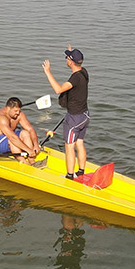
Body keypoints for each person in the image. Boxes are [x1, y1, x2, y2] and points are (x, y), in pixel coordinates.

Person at [42, 45, 89, 180]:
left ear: (71, 62)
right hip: (85, 115)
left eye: (67, 58)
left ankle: (69, 176)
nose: (66, 60)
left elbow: (58, 89)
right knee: (79, 143)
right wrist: (71, 51)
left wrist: (48, 72)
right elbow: (75, 61)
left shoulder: (75, 78)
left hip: (74, 118)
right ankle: (81, 171)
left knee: (69, 147)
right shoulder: (84, 72)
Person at [0, 97, 43, 166]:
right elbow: (12, 137)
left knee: (25, 133)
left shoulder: (19, 114)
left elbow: (30, 129)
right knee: (12, 141)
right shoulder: (1, 118)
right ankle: (25, 163)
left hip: (6, 137)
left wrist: (35, 144)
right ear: (8, 108)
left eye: (19, 111)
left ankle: (32, 160)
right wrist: (28, 150)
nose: (18, 113)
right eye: (15, 111)